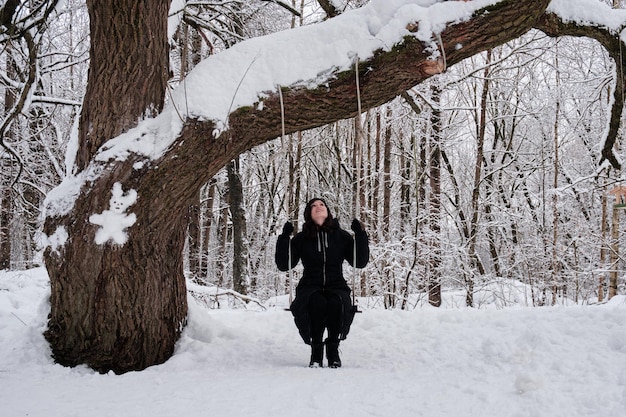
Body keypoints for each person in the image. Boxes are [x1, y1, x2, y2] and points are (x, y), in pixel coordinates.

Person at [275, 198, 369, 368]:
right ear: (309, 213)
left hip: (336, 285)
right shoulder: (301, 239)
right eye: (314, 206)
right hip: (310, 285)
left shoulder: (341, 237)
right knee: (316, 302)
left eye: (322, 205)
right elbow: (284, 265)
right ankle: (316, 350)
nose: (318, 207)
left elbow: (359, 262)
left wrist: (360, 235)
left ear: (327, 211)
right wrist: (284, 238)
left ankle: (333, 349)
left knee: (336, 303)